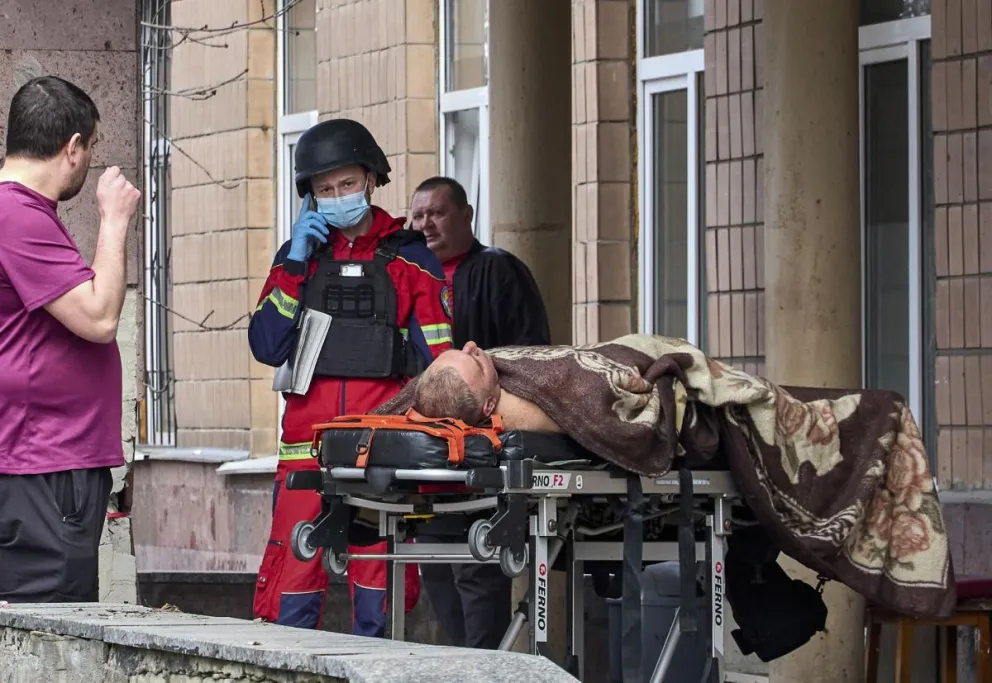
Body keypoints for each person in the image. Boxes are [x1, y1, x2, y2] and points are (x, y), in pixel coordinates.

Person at [248, 119, 453, 636]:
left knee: (382, 602)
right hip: (306, 455)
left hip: (382, 456)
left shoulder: (413, 259)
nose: (338, 196)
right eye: (325, 189)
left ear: (371, 180)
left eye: (347, 184)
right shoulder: (297, 259)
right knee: (288, 598)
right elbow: (266, 345)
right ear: (310, 196)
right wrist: (296, 262)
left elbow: (438, 368)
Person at [0, 76, 141, 603]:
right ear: (73, 147)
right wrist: (114, 221)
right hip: (44, 464)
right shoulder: (17, 215)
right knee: (50, 627)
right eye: (93, 146)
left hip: (36, 460)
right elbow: (99, 317)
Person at [409, 176, 551, 649]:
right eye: (418, 216)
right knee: (435, 565)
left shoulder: (498, 270)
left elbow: (533, 356)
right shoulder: (411, 277)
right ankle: (463, 664)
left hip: (484, 451)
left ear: (466, 215)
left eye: (437, 213)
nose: (425, 224)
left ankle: (484, 666)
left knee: (477, 566)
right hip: (428, 453)